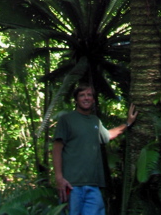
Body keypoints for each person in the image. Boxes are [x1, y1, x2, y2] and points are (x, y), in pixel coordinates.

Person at [52, 83, 138, 215]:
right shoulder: (66, 120)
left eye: (89, 95)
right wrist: (59, 178)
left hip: (93, 185)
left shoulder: (95, 121)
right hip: (72, 184)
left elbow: (107, 136)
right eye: (82, 95)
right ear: (76, 100)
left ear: (93, 99)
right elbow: (57, 148)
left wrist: (128, 123)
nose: (86, 98)